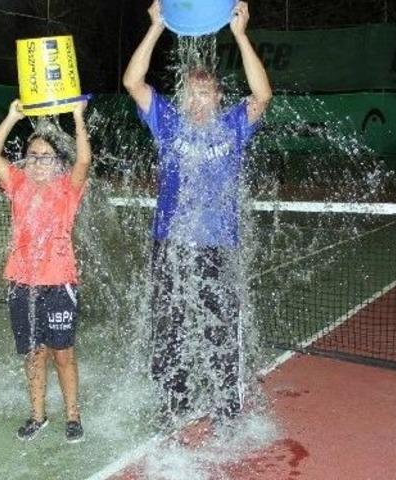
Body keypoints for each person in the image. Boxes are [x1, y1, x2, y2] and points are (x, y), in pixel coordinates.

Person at [122, 1, 272, 426]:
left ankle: (228, 408)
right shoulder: (167, 122)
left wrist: (241, 34)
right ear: (181, 97)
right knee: (168, 326)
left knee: (221, 327)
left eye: (205, 93)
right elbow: (133, 81)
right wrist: (155, 27)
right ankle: (176, 400)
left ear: (218, 97)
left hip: (219, 245)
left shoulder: (233, 125)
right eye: (190, 93)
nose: (197, 100)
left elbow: (263, 95)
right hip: (170, 242)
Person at [0, 99, 91, 442]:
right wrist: (12, 115)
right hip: (21, 283)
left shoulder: (68, 189)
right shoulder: (17, 184)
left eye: (46, 157)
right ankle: (37, 415)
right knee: (33, 354)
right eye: (32, 156)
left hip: (59, 283)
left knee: (63, 354)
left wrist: (77, 118)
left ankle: (73, 417)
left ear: (58, 162)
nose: (38, 162)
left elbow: (85, 159)